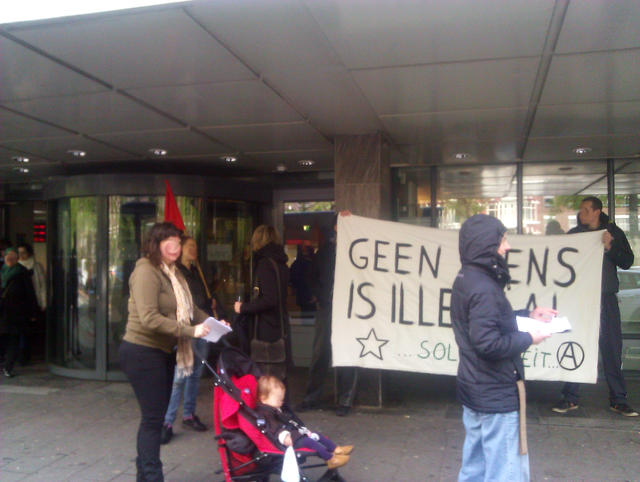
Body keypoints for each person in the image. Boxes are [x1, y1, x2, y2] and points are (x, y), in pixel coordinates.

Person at [451, 214, 556, 482]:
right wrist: (529, 337)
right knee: (505, 473)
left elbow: (489, 323)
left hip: (475, 389)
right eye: (503, 240)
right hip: (495, 393)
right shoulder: (484, 287)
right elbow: (488, 343)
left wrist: (528, 315)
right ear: (487, 244)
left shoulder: (467, 278)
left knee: (474, 469)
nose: (507, 247)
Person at [118, 222, 214, 481]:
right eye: (168, 242)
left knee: (154, 417)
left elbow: (191, 309)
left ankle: (144, 474)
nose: (175, 247)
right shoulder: (146, 271)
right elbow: (149, 318)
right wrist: (191, 332)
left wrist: (213, 323)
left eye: (178, 242)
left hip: (163, 351)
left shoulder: (174, 272)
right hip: (141, 351)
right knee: (153, 420)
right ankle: (152, 475)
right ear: (155, 245)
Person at [552, 197, 638, 417]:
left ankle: (618, 399)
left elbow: (627, 261)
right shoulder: (575, 235)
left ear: (597, 211)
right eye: (581, 210)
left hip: (605, 298)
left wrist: (609, 246)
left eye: (586, 210)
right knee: (576, 344)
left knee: (611, 348)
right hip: (580, 299)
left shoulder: (614, 233)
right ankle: (570, 397)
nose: (582, 214)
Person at [297, 212, 357, 417]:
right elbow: (312, 275)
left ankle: (344, 399)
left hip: (349, 311)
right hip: (328, 308)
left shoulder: (358, 250)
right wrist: (320, 297)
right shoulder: (327, 251)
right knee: (320, 353)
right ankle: (312, 397)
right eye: (340, 224)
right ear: (335, 228)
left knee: (345, 354)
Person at [161, 236, 218, 444]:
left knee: (195, 374)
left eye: (195, 245)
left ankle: (188, 415)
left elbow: (198, 301)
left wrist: (210, 302)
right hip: (186, 330)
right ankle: (167, 422)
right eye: (190, 246)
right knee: (179, 377)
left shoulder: (196, 272)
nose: (194, 249)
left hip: (202, 328)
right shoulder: (176, 273)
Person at [256, 375, 353, 470]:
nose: (281, 402)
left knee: (315, 435)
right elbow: (273, 427)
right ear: (263, 398)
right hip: (285, 440)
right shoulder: (265, 413)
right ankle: (331, 459)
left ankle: (336, 449)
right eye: (279, 400)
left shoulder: (273, 408)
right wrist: (284, 436)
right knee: (310, 442)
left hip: (294, 434)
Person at [234, 225, 291, 380]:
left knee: (266, 379)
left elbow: (269, 299)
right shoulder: (281, 263)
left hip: (266, 330)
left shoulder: (265, 264)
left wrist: (244, 307)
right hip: (280, 327)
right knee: (279, 379)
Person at [0, 248, 37, 377]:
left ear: (17, 259)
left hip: (16, 314)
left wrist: (32, 312)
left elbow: (30, 293)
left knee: (13, 340)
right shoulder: (2, 271)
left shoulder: (22, 273)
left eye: (13, 257)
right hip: (2, 313)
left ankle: (8, 367)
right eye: (7, 257)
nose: (10, 259)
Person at [289, 244, 316, 312]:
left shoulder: (296, 264)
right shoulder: (313, 264)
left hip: (301, 294)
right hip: (311, 294)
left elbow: (292, 279)